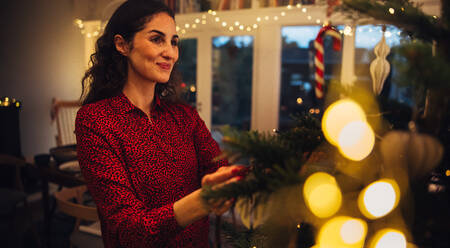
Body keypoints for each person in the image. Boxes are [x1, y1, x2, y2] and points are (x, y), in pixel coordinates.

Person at [75, 1, 245, 247]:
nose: (171, 53)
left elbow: (219, 167)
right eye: (157, 39)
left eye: (173, 42)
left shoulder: (184, 116)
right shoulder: (96, 120)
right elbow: (129, 229)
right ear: (122, 44)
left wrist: (220, 179)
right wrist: (203, 200)